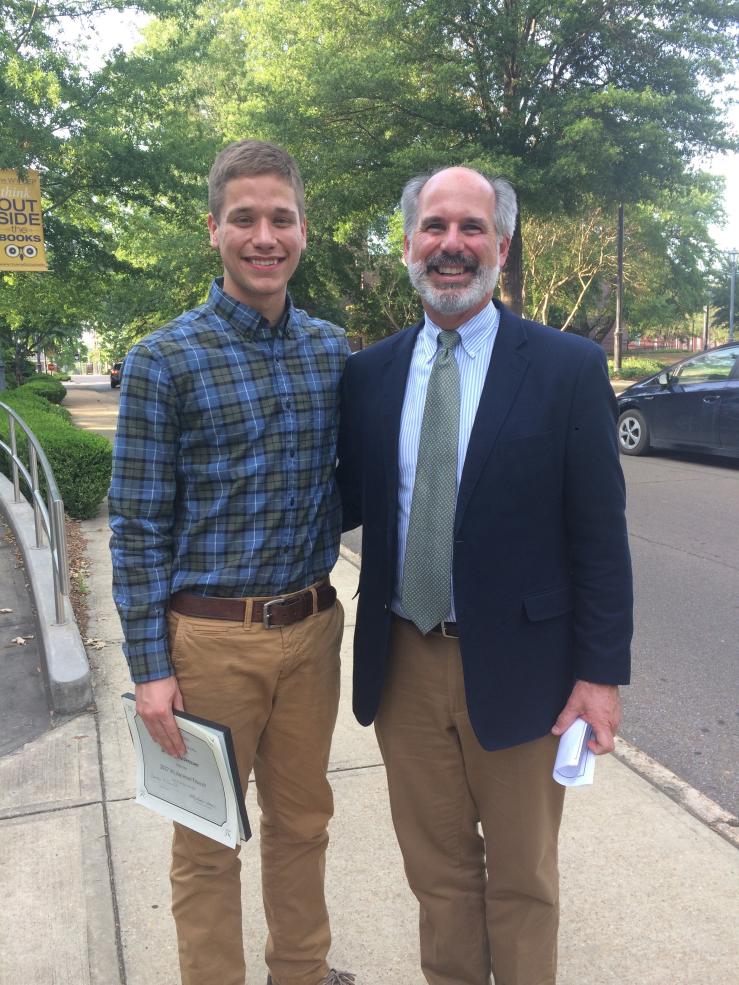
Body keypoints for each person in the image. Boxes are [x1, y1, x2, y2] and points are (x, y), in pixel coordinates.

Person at [337, 166, 632, 985]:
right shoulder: (368, 376)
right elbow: (334, 501)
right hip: (402, 662)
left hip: (526, 673)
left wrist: (599, 676)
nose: (451, 245)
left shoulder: (566, 367)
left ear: (500, 246)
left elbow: (600, 538)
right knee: (437, 877)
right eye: (434, 227)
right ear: (407, 245)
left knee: (522, 881)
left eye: (472, 228)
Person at [109, 139, 355, 985]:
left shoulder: (333, 352)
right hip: (208, 644)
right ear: (212, 229)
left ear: (303, 231)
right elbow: (137, 526)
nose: (264, 235)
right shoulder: (161, 361)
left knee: (303, 824)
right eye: (244, 218)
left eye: (279, 218)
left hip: (313, 628)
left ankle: (302, 970)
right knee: (209, 839)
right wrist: (149, 668)